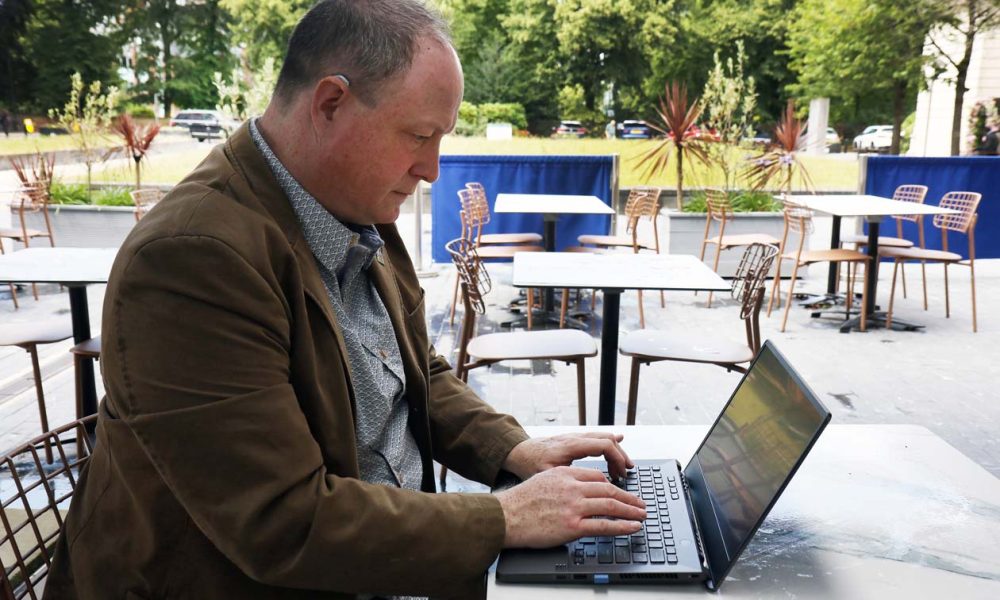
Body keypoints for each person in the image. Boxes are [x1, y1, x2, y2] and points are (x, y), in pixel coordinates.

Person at [44, 2, 645, 599]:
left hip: (393, 559)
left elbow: (414, 373)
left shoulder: (351, 202)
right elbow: (281, 522)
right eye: (419, 135)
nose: (432, 169)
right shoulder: (192, 260)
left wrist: (514, 449)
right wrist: (506, 519)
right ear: (330, 103)